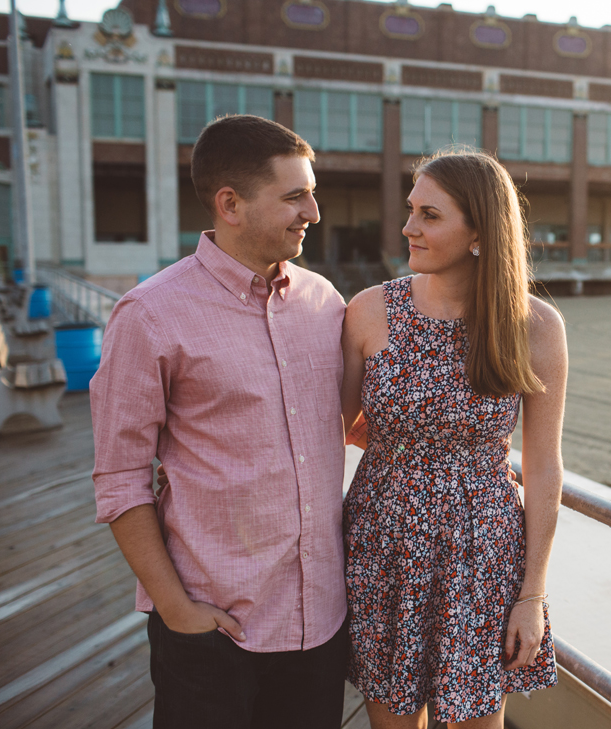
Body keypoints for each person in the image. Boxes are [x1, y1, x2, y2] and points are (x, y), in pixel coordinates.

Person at [92, 114, 352, 727]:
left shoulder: (326, 303)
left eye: (311, 194)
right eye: (294, 196)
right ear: (230, 204)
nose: (313, 212)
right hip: (210, 630)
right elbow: (120, 478)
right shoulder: (150, 315)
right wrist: (176, 608)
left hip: (321, 623)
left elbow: (344, 424)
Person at [338, 149, 569, 728]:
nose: (408, 226)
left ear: (479, 233)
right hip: (381, 545)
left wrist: (532, 595)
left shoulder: (535, 326)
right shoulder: (369, 312)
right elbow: (326, 438)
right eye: (412, 209)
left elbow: (543, 468)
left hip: (482, 554)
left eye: (430, 215)